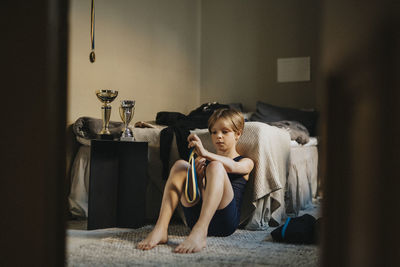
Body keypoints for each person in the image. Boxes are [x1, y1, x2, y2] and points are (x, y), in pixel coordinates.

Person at [137, 108, 254, 253]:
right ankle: (161, 229)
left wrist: (205, 152)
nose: (218, 136)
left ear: (238, 134)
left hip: (224, 223)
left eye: (225, 132)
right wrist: (198, 178)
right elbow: (201, 196)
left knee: (216, 166)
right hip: (195, 218)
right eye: (214, 132)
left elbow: (232, 166)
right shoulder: (205, 161)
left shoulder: (246, 162)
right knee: (180, 165)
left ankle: (201, 231)